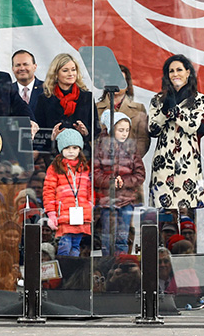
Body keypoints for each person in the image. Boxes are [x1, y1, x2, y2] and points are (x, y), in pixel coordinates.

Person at [147, 54, 204, 215]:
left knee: (187, 216)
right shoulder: (158, 100)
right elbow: (153, 129)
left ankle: (187, 241)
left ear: (188, 73)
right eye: (171, 71)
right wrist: (164, 112)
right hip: (163, 163)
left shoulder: (199, 99)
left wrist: (176, 111)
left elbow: (192, 126)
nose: (175, 74)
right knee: (165, 217)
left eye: (179, 70)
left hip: (187, 163)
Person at [93, 113, 145, 255]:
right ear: (112, 129)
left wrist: (125, 182)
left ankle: (120, 268)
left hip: (126, 200)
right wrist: (110, 181)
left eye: (127, 130)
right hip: (106, 200)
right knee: (107, 239)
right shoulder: (100, 147)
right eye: (120, 130)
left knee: (122, 238)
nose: (124, 134)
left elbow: (140, 174)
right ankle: (107, 267)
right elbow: (95, 173)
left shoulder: (132, 148)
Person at [43, 128, 93, 257]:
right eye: (67, 148)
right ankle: (64, 272)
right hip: (63, 214)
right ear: (61, 149)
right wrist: (51, 213)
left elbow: (89, 188)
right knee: (65, 245)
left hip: (81, 213)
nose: (71, 151)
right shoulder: (55, 168)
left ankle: (71, 272)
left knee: (76, 245)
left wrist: (90, 204)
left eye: (75, 148)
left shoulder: (84, 167)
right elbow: (49, 190)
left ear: (80, 149)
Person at [32, 53, 98, 145]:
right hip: (53, 154)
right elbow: (39, 132)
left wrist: (86, 132)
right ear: (56, 74)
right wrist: (52, 136)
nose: (71, 74)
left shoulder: (87, 97)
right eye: (65, 70)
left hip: (81, 153)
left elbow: (96, 130)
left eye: (73, 70)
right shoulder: (45, 98)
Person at [95, 64, 150, 158]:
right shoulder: (96, 108)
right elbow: (91, 138)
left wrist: (131, 160)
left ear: (127, 85)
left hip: (128, 165)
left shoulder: (139, 108)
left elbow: (143, 140)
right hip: (102, 164)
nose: (116, 84)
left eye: (120, 80)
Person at [11, 49, 43, 115]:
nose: (22, 68)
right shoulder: (7, 91)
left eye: (26, 64)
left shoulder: (47, 89)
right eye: (18, 65)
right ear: (13, 69)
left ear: (35, 67)